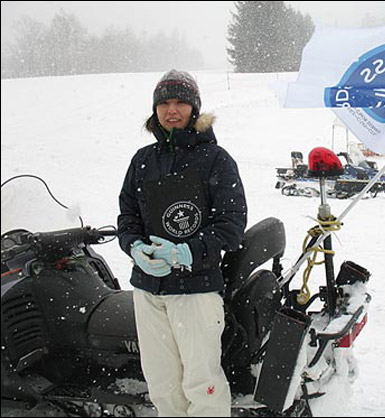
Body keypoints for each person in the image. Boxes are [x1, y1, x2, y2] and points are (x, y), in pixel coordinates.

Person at [117, 69, 247, 417]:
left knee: (202, 385)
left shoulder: (216, 160)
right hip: (149, 290)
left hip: (195, 291)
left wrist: (187, 252)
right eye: (164, 103)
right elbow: (127, 216)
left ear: (194, 108)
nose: (171, 110)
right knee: (163, 386)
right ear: (155, 110)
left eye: (180, 103)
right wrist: (135, 247)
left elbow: (232, 225)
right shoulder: (143, 160)